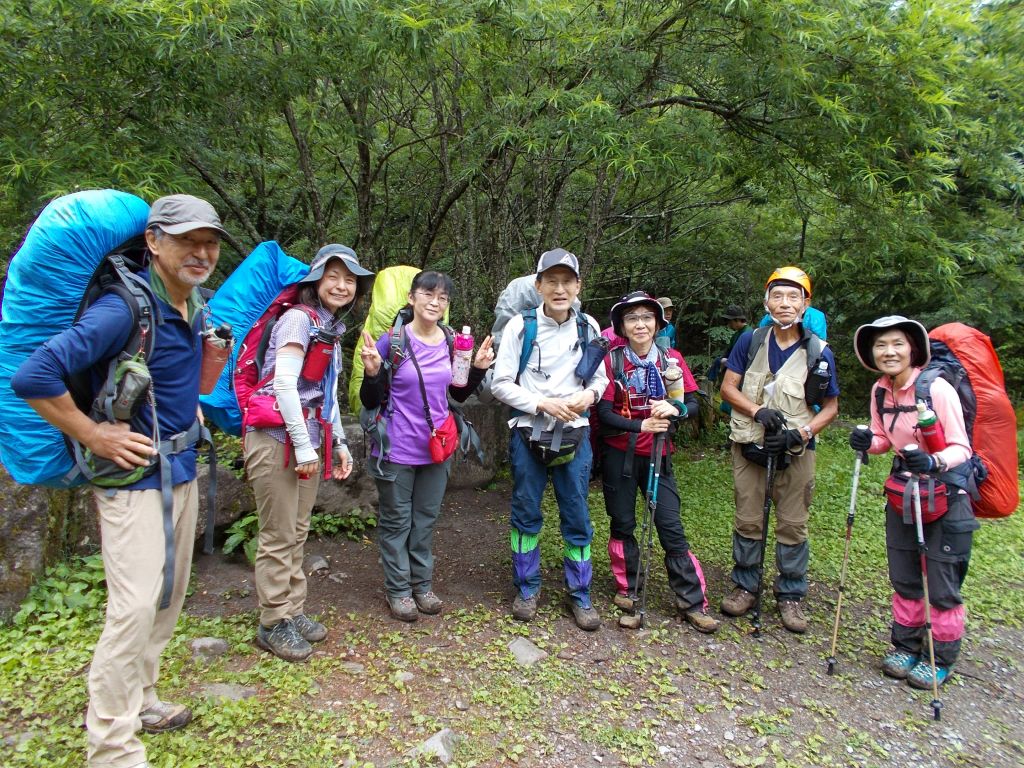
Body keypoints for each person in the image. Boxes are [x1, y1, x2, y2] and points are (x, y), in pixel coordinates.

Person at [12, 194, 226, 768]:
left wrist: (209, 364)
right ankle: (110, 748)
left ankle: (144, 698)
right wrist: (93, 434)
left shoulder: (191, 303)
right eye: (187, 241)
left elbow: (188, 388)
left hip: (180, 472)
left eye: (209, 242)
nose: (201, 252)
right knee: (132, 609)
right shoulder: (122, 309)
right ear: (154, 241)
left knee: (166, 600)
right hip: (132, 483)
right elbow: (34, 375)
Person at [247, 244, 372, 661]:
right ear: (315, 281)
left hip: (308, 440)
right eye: (333, 276)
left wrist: (336, 442)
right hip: (276, 440)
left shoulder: (328, 327)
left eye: (350, 280)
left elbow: (327, 395)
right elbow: (283, 385)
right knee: (278, 534)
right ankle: (272, 622)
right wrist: (304, 445)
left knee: (297, 531)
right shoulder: (298, 321)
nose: (342, 285)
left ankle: (292, 610)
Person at [850, 316, 977, 689]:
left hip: (945, 495)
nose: (889, 352)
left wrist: (934, 462)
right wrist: (866, 443)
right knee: (904, 574)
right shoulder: (880, 390)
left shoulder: (936, 389)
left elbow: (960, 447)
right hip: (904, 493)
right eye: (881, 346)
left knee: (940, 581)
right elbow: (881, 437)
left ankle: (940, 656)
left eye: (897, 344)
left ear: (913, 349)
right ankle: (905, 646)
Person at [360, 272, 494, 622]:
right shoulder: (394, 341)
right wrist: (372, 373)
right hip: (396, 448)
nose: (435, 302)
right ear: (411, 297)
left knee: (425, 520)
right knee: (396, 522)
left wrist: (478, 369)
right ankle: (399, 590)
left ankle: (422, 585)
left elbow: (458, 393)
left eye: (443, 298)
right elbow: (370, 399)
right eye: (428, 294)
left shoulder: (453, 342)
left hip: (437, 447)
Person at [491, 248, 610, 630]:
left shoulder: (588, 326)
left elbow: (600, 378)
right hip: (529, 432)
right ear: (538, 285)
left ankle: (581, 593)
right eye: (552, 281)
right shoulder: (519, 327)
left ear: (578, 285)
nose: (560, 289)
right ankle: (527, 589)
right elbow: (500, 383)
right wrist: (541, 403)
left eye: (567, 281)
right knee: (526, 510)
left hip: (575, 433)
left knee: (576, 512)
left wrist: (587, 397)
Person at [719, 266, 839, 633]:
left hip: (796, 450)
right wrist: (757, 410)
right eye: (777, 295)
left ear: (806, 303)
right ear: (766, 300)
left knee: (792, 523)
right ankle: (745, 585)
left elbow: (831, 407)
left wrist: (800, 434)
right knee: (749, 518)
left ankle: (790, 594)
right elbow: (728, 388)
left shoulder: (819, 351)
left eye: (793, 296)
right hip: (749, 443)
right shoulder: (751, 340)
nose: (785, 303)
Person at [597, 291, 719, 633]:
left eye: (647, 317)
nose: (640, 324)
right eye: (632, 318)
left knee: (670, 525)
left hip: (658, 454)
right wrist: (641, 424)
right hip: (620, 454)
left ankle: (692, 601)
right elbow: (604, 413)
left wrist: (675, 409)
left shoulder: (671, 358)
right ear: (621, 325)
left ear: (657, 323)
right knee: (622, 522)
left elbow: (693, 403)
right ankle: (628, 587)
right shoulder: (612, 361)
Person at [707, 305, 749, 384]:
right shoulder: (736, 334)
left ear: (737, 320)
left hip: (740, 365)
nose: (729, 325)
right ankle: (709, 383)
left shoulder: (747, 333)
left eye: (730, 322)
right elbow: (728, 351)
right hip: (732, 360)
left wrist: (727, 360)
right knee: (718, 361)